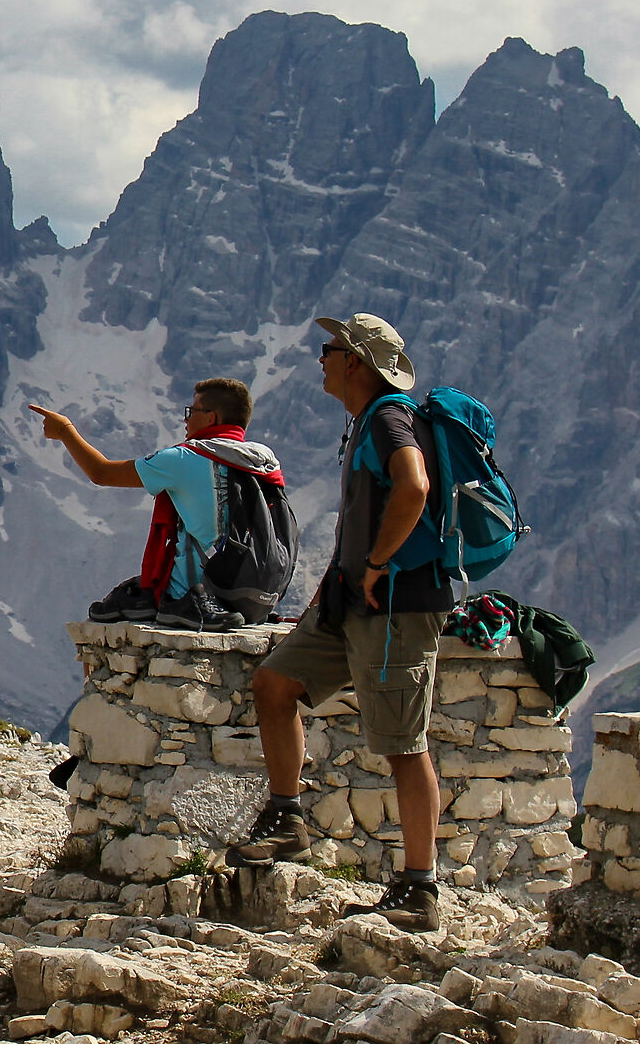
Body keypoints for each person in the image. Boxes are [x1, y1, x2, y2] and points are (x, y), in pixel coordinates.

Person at [228, 313, 447, 933]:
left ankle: (419, 890)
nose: (320, 358)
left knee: (404, 745)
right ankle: (287, 818)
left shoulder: (388, 417)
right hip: (350, 602)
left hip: (395, 607)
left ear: (355, 361)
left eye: (329, 349)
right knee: (275, 684)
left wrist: (377, 565)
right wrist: (338, 581)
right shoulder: (367, 421)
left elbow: (413, 487)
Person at [28, 378, 278, 632]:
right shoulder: (263, 461)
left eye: (191, 412)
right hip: (253, 596)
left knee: (110, 610)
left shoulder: (184, 459)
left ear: (210, 418)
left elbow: (101, 472)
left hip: (197, 593)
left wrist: (65, 431)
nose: (186, 420)